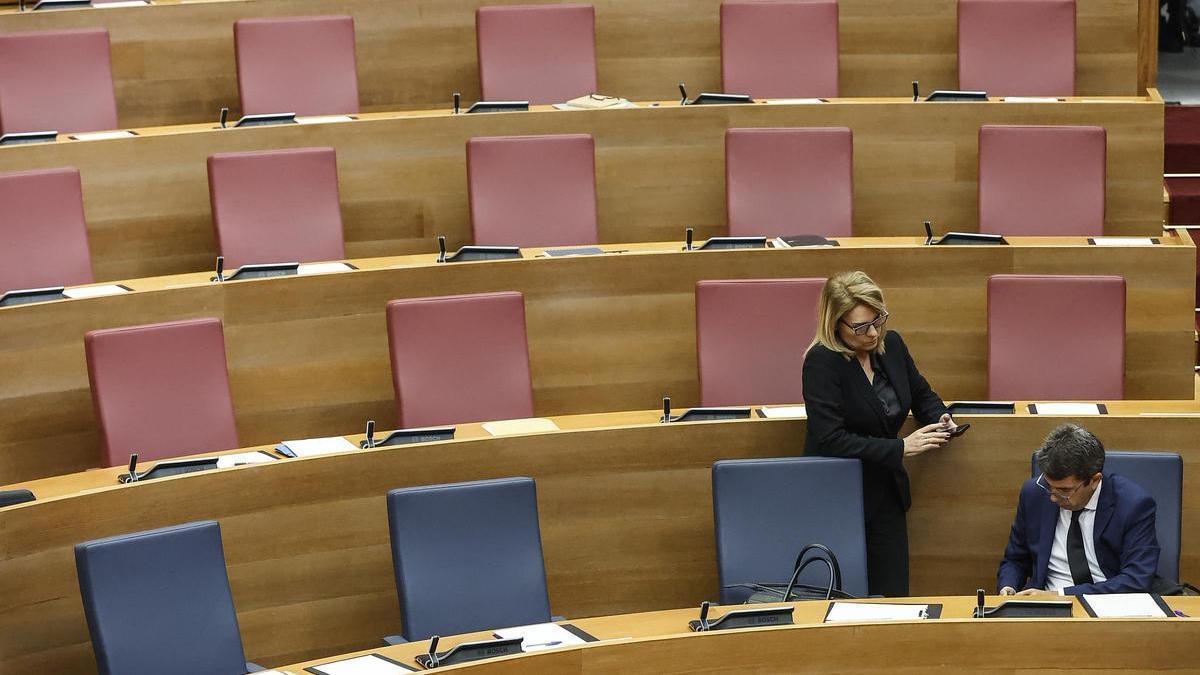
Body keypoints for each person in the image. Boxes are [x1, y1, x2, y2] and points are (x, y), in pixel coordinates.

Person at [802, 271, 958, 597]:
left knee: (893, 595)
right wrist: (900, 448)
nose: (873, 333)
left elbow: (919, 393)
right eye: (860, 327)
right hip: (840, 495)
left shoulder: (892, 345)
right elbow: (830, 438)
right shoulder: (821, 363)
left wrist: (940, 416)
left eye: (878, 320)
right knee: (841, 598)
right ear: (835, 324)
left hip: (886, 492)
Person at [997, 424, 1160, 596]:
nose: (1053, 497)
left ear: (1095, 480)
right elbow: (1016, 560)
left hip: (1107, 604)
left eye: (1065, 491)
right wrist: (1008, 586)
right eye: (1049, 485)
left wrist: (1059, 596)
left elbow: (1136, 580)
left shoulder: (1133, 505)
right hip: (1045, 606)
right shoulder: (1034, 493)